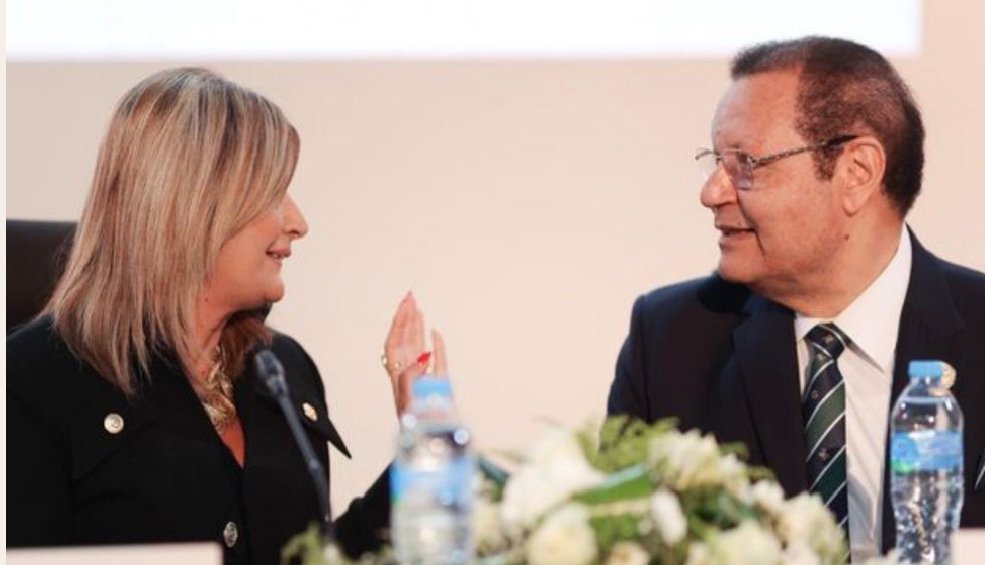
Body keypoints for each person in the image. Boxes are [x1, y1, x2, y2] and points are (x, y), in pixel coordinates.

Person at [6, 67, 446, 564]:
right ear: (194, 204)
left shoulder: (283, 369)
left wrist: (422, 451)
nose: (298, 223)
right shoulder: (29, 384)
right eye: (273, 193)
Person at [607, 36, 985, 561]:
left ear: (857, 173)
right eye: (716, 162)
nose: (712, 192)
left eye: (746, 164)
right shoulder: (672, 341)